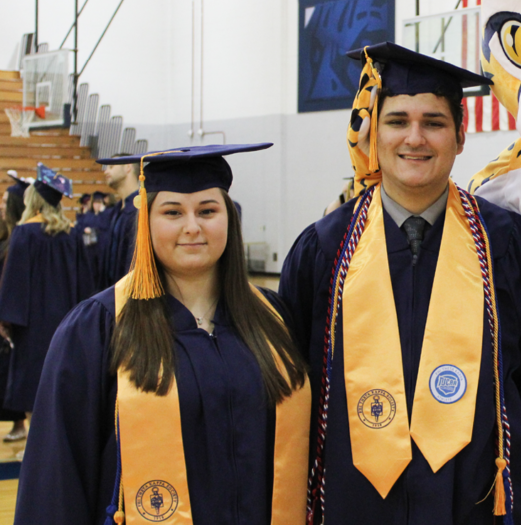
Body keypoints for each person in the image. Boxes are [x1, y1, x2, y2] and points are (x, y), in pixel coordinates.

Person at [280, 42, 521, 525]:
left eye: (434, 122)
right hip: (354, 498)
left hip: (469, 496)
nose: (415, 138)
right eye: (397, 120)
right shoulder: (325, 250)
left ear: (461, 136)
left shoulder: (501, 242)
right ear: (372, 133)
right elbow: (295, 380)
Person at [14, 144, 310, 525]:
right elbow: (56, 476)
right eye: (172, 212)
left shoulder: (273, 320)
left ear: (229, 219)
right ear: (147, 222)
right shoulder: (97, 329)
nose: (192, 226)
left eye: (207, 210)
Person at [0, 165, 94, 419]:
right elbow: (85, 284)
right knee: (61, 386)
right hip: (67, 323)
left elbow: (15, 283)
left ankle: (36, 450)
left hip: (32, 327)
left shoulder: (24, 233)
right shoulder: (72, 235)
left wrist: (6, 320)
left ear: (34, 201)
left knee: (33, 386)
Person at [0, 176, 31, 442]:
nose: (1, 205)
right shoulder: (9, 234)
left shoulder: (22, 238)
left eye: (4, 201)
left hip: (18, 318)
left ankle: (19, 424)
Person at [100, 154, 141, 288]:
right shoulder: (116, 211)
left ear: (128, 167)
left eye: (111, 167)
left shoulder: (141, 209)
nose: (106, 171)